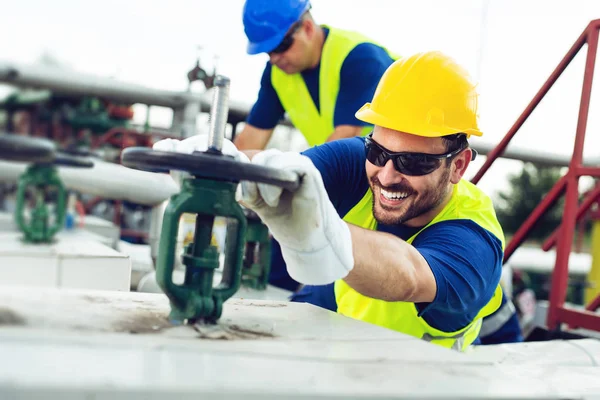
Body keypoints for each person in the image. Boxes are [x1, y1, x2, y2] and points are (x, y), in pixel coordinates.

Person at [155, 51, 507, 351]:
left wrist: (321, 231)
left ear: (458, 165)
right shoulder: (361, 164)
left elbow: (409, 273)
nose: (387, 175)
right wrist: (221, 168)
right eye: (378, 151)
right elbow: (289, 175)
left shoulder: (475, 241)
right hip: (341, 359)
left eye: (413, 162)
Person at [234, 0, 398, 151]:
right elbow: (250, 140)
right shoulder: (276, 74)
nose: (274, 58)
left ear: (307, 28)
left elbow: (345, 137)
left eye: (280, 46)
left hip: (401, 173)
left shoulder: (360, 58)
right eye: (267, 51)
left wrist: (298, 170)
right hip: (343, 175)